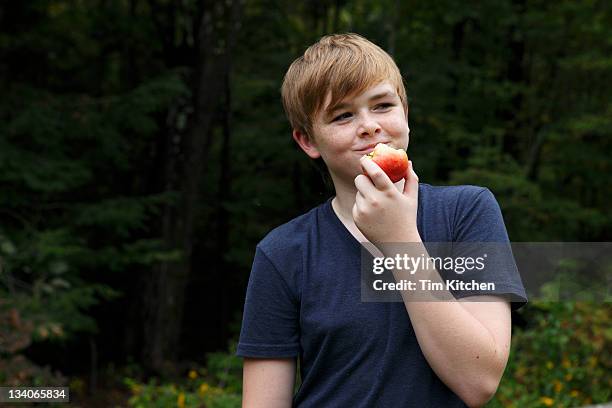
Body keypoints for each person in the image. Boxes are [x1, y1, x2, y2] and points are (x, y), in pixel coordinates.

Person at [236, 33, 527, 408]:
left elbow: (478, 381)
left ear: (405, 114)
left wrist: (400, 240)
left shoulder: (467, 212)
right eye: (343, 115)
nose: (369, 126)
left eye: (383, 105)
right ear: (308, 141)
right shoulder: (282, 253)